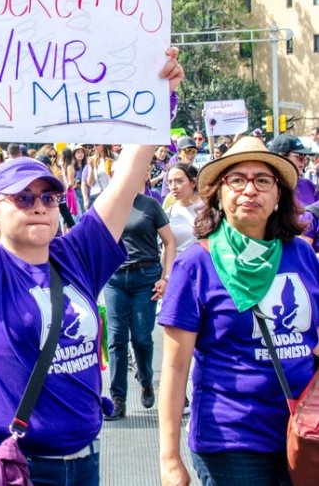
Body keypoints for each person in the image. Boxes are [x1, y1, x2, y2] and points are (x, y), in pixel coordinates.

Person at [0, 33, 183, 485]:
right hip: (13, 466)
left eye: (50, 195)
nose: (39, 204)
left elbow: (130, 174)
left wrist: (160, 94)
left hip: (85, 461)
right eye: (23, 197)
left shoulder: (78, 254)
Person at [158, 136, 319, 486]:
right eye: (237, 180)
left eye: (263, 181)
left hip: (305, 432)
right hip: (232, 440)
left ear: (279, 196)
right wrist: (169, 458)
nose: (250, 190)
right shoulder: (195, 264)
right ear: (218, 193)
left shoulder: (301, 255)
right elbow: (174, 367)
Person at [103, 172, 176, 420]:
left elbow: (169, 241)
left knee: (142, 338)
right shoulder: (107, 203)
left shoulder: (150, 205)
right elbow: (95, 240)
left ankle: (145, 379)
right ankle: (118, 398)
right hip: (115, 280)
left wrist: (166, 278)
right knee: (116, 339)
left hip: (146, 277)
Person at [268, 134, 319, 207]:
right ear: (282, 158)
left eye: (306, 157)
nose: (304, 161)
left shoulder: (308, 185)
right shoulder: (267, 188)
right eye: (300, 157)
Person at [164, 163, 202, 255]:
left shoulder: (209, 209)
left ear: (193, 183)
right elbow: (165, 251)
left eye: (179, 181)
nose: (173, 187)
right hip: (178, 266)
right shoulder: (168, 213)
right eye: (170, 182)